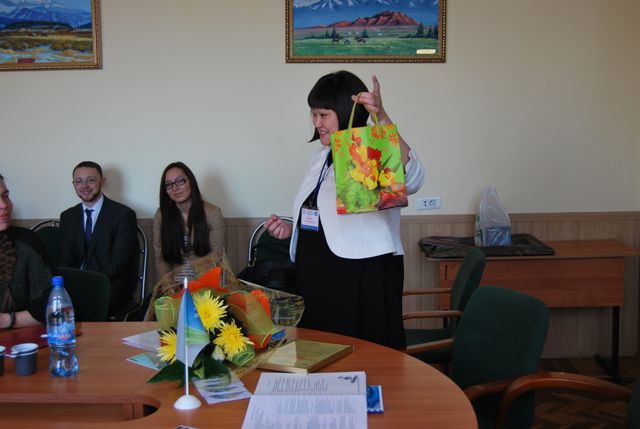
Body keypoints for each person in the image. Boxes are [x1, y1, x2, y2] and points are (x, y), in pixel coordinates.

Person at [265, 71, 425, 349]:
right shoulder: (320, 158)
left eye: (323, 115)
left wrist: (381, 116)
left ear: (343, 112)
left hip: (362, 273)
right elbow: (322, 213)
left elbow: (414, 178)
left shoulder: (373, 150)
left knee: (364, 353)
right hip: (319, 273)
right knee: (321, 351)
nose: (317, 123)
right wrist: (293, 228)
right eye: (314, 114)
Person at [59, 161, 139, 319]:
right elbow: (65, 259)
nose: (84, 186)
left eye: (91, 180)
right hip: (75, 286)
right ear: (73, 184)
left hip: (109, 286)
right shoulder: (68, 216)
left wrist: (89, 284)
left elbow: (118, 264)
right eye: (79, 181)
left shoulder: (123, 214)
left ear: (102, 181)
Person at [153, 162, 225, 280]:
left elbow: (215, 258)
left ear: (191, 181)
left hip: (204, 283)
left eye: (180, 181)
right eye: (169, 184)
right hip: (173, 283)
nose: (175, 188)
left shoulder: (213, 213)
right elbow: (160, 259)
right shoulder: (161, 215)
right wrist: (170, 286)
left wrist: (197, 286)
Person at [0, 174, 53, 328]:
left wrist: (5, 320)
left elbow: (53, 303)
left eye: (5, 196)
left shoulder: (26, 242)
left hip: (22, 337)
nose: (4, 205)